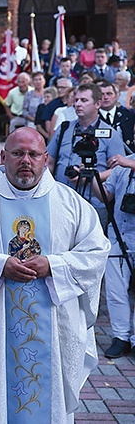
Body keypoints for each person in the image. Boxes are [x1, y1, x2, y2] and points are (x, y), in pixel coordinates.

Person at [0, 127, 110, 423]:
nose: (26, 160)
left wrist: (53, 265)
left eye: (33, 154)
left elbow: (95, 254)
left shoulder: (72, 205)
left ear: (46, 159)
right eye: (17, 153)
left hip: (54, 326)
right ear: (3, 157)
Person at [47, 83, 125, 228]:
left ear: (98, 104)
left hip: (94, 204)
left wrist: (89, 176)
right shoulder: (64, 129)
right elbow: (48, 162)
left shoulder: (109, 134)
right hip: (62, 201)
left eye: (84, 100)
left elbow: (120, 169)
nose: (78, 104)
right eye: (76, 100)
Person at [93, 152, 135, 358]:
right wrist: (93, 176)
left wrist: (130, 164)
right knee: (116, 291)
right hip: (119, 236)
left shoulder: (126, 162)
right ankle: (121, 338)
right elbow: (105, 196)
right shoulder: (122, 165)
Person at [96, 79, 135, 154]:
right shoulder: (92, 118)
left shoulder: (130, 116)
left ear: (116, 96)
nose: (105, 97)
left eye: (109, 94)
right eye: (102, 94)